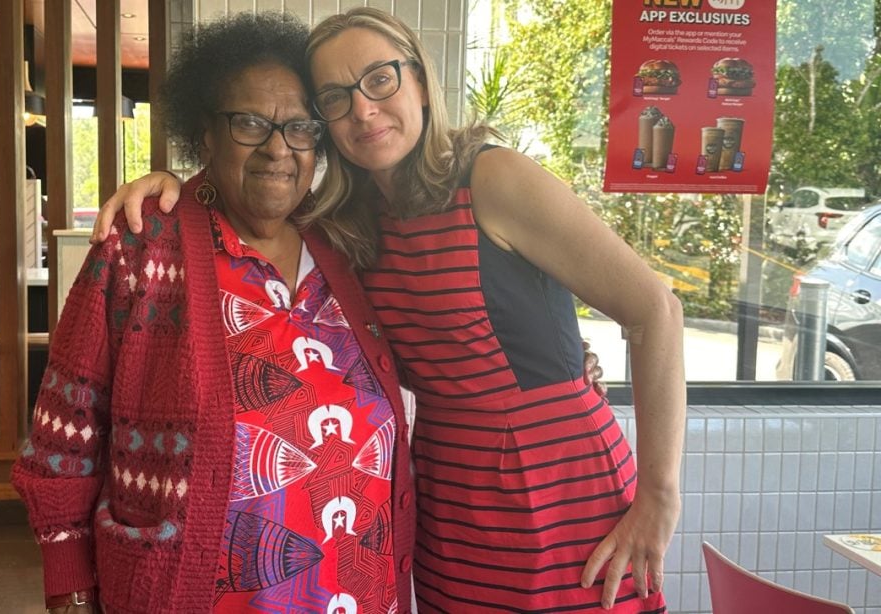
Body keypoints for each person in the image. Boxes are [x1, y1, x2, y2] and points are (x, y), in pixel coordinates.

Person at [94, 7, 685, 613]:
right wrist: (167, 181)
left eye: (380, 80)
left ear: (421, 82)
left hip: (557, 487)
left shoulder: (491, 175)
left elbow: (655, 313)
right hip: (447, 501)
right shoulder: (343, 228)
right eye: (335, 97)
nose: (363, 110)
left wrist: (659, 498)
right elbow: (249, 187)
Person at [12, 13, 417, 613]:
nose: (279, 148)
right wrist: (68, 587)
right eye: (250, 123)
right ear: (206, 133)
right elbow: (61, 439)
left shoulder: (347, 250)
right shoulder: (142, 245)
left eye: (300, 127)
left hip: (355, 595)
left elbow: (442, 332)